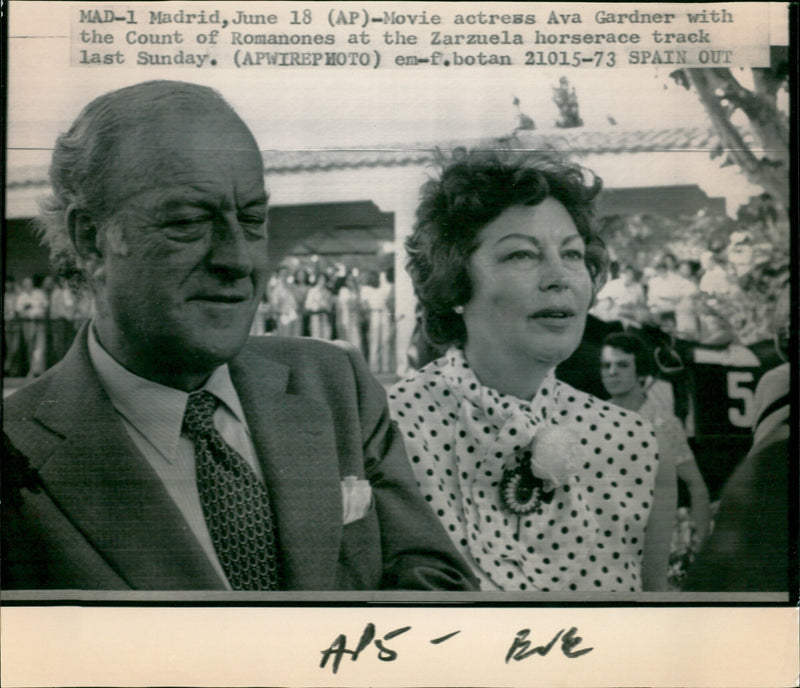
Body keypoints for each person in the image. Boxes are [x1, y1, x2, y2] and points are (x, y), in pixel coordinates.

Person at [1, 80, 476, 592]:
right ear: (91, 239)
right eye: (187, 221)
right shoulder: (16, 454)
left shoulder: (337, 386)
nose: (238, 259)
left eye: (251, 219)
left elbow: (438, 591)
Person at [388, 148, 674, 592]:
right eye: (522, 255)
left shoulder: (634, 445)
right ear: (454, 279)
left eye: (574, 254)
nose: (560, 277)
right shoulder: (387, 433)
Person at [599, 333, 712, 556]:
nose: (612, 372)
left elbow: (696, 486)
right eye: (606, 365)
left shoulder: (663, 424)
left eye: (622, 365)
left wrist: (703, 545)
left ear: (640, 372)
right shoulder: (592, 417)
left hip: (650, 542)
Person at [15, 275, 49, 377]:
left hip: (39, 323)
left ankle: (40, 371)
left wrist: (34, 310)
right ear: (23, 285)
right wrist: (29, 311)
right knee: (30, 347)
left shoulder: (39, 294)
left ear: (32, 284)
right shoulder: (21, 297)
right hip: (28, 324)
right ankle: (31, 370)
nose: (28, 285)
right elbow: (20, 311)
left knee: (40, 347)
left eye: (30, 283)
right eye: (26, 284)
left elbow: (45, 306)